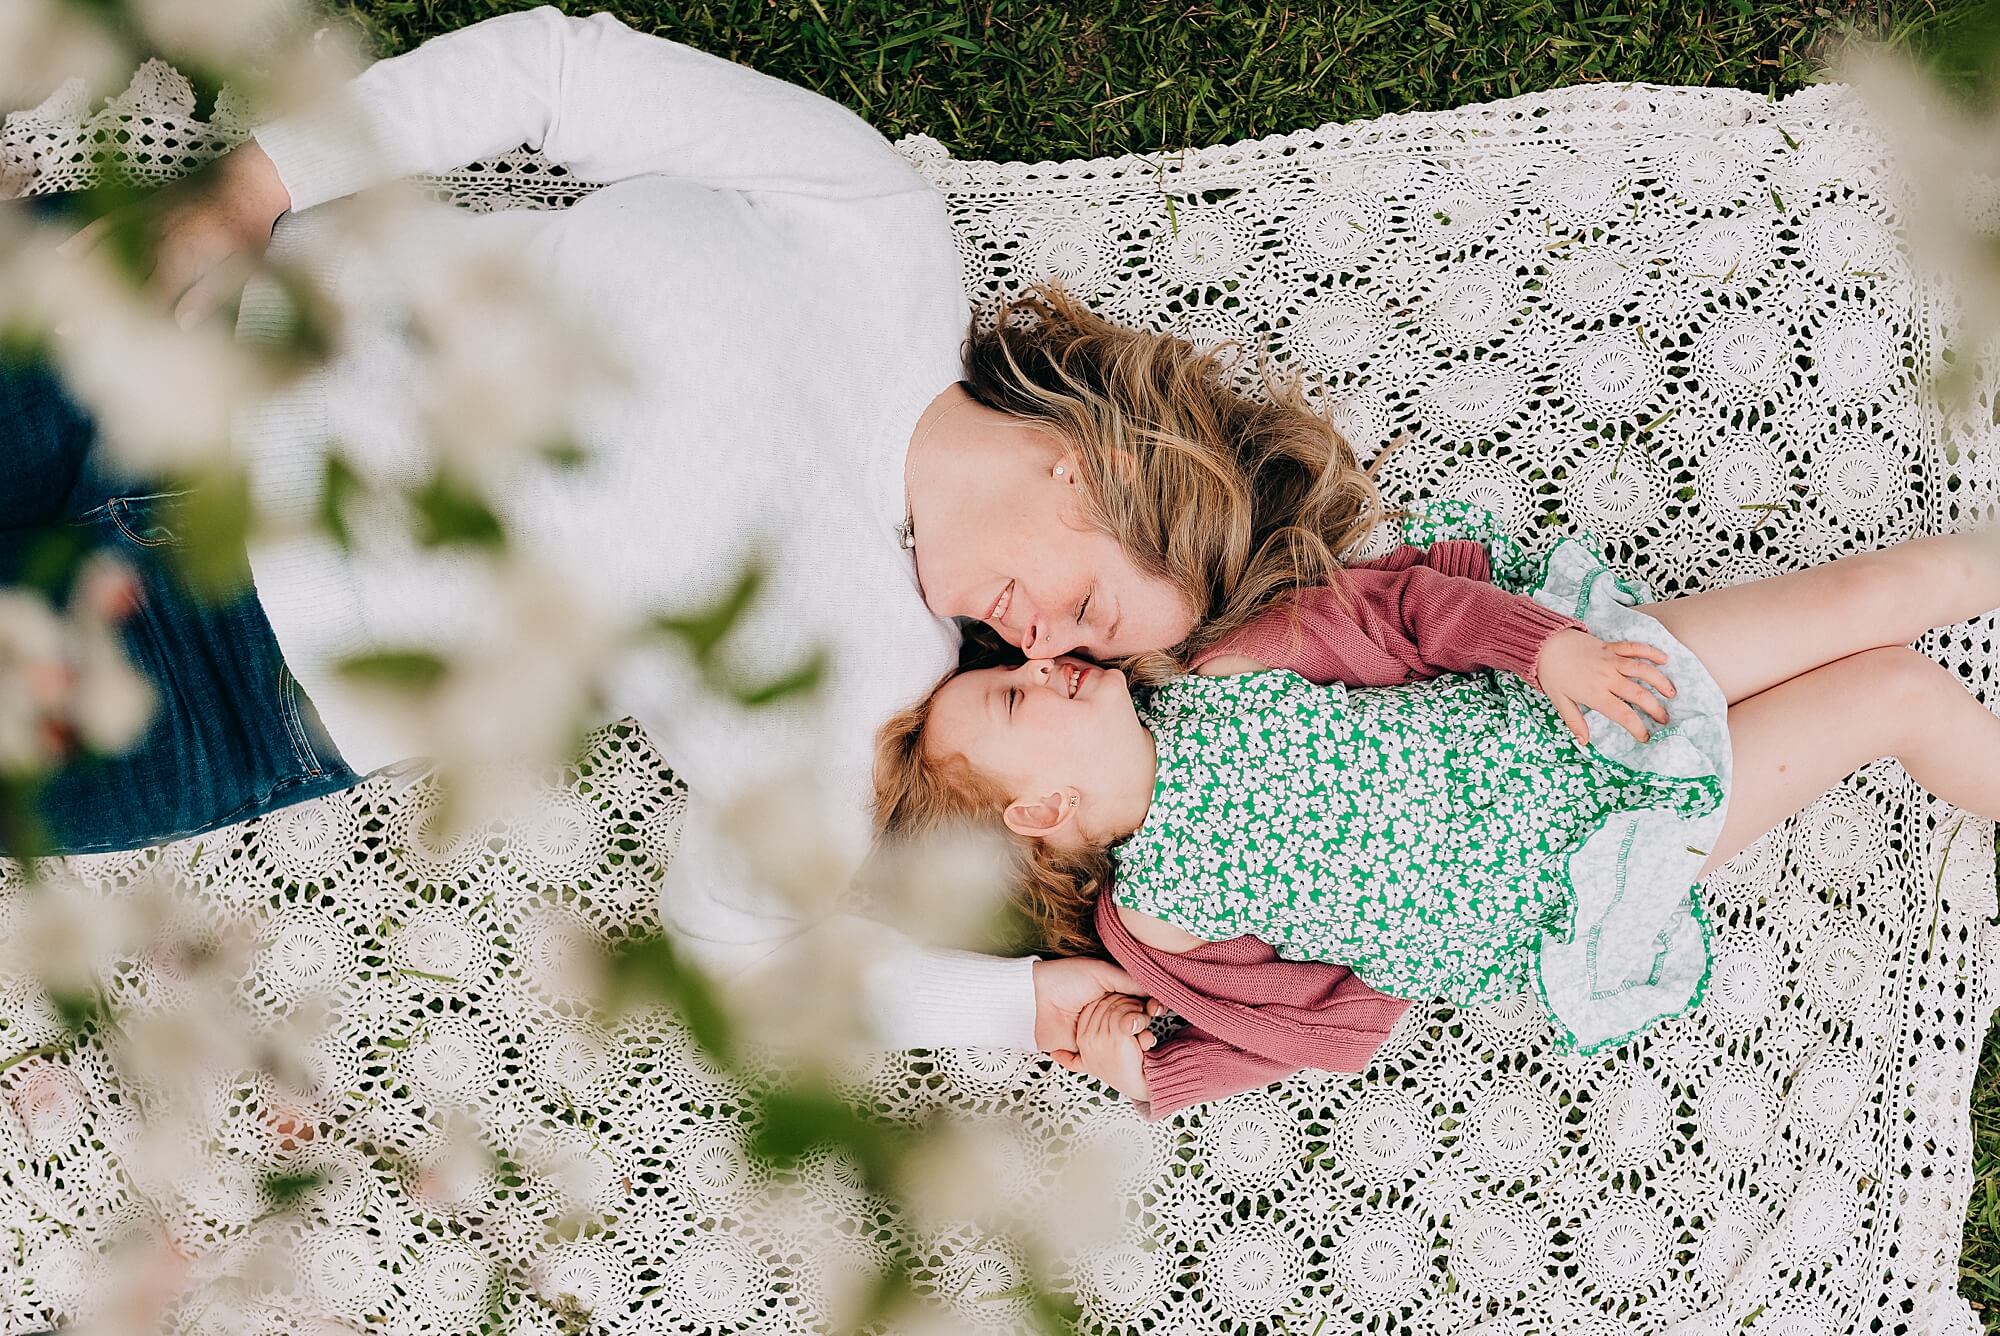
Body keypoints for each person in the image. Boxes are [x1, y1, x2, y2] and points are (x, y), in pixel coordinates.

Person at [1, 6, 1381, 1058]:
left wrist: (1022, 1006)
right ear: (1085, 471)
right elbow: (555, 70)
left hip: (229, 683)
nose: (1038, 640)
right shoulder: (870, 234)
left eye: (1076, 653)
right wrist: (237, 203)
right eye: (1089, 611)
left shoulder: (879, 703)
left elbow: (752, 960)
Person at [873, 501, 2000, 1089]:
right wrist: (1146, 1066)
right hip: (1583, 864)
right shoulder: (1157, 914)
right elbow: (1277, 1035)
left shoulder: (1218, 670)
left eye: (1012, 663)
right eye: (1018, 699)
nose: (1040, 658)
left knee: (1871, 594)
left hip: (1575, 699)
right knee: (1890, 691)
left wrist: (1543, 651)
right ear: (1039, 811)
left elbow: (1407, 610)